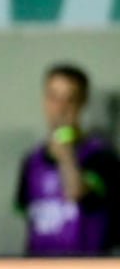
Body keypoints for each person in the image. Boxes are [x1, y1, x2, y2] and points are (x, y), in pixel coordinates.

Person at [15, 64, 120, 256]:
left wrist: (66, 154)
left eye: (69, 100)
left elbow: (76, 192)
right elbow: (27, 214)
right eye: (53, 98)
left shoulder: (101, 156)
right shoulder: (32, 161)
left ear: (82, 103)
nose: (60, 108)